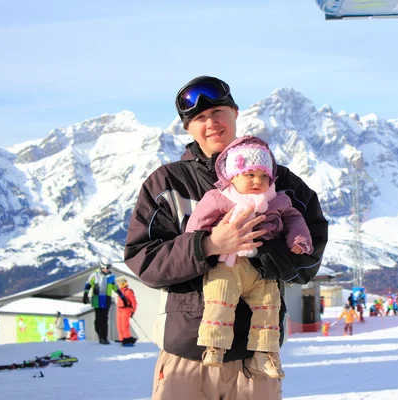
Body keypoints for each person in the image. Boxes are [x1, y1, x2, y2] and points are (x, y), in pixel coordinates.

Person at [123, 76, 328, 399]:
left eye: (218, 111)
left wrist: (259, 247)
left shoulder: (282, 182)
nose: (211, 123)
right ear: (187, 128)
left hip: (257, 359)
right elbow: (143, 260)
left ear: (235, 112)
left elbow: (309, 260)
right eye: (199, 118)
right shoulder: (167, 183)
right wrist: (208, 245)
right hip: (188, 357)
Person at [184, 136, 314, 377]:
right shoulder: (219, 198)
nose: (258, 181)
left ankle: (266, 354)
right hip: (227, 264)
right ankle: (214, 346)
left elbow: (295, 218)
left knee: (269, 304)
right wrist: (198, 243)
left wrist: (298, 239)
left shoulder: (278, 200)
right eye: (250, 175)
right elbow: (196, 223)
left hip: (261, 269)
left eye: (264, 176)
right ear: (232, 176)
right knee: (220, 299)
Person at [83, 258, 130, 345]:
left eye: (108, 268)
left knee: (104, 319)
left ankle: (103, 338)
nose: (106, 269)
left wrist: (123, 298)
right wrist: (85, 294)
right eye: (105, 267)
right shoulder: (95, 275)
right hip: (97, 299)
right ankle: (100, 336)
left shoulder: (111, 277)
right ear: (101, 266)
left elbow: (116, 288)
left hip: (106, 300)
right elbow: (88, 284)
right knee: (98, 320)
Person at [116, 277, 138, 345]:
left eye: (119, 283)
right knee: (119, 325)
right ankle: (122, 338)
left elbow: (134, 302)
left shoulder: (128, 291)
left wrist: (132, 311)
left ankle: (127, 339)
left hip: (126, 310)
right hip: (119, 309)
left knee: (124, 325)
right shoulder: (120, 291)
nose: (118, 285)